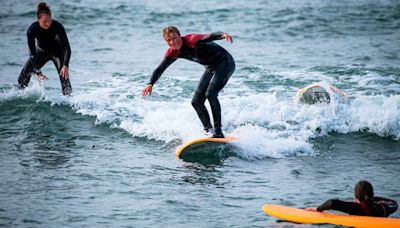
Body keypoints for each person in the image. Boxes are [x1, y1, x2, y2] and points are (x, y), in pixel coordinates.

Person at [141, 26, 235, 138]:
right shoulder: (173, 52)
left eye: (174, 38)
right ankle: (209, 131)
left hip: (225, 63)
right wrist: (150, 83)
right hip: (211, 67)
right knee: (196, 102)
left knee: (211, 94)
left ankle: (218, 131)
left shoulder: (192, 40)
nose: (173, 42)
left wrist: (222, 35)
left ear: (179, 35)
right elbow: (160, 68)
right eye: (169, 40)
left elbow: (208, 36)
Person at [18, 2, 72, 95]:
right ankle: (22, 97)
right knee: (22, 78)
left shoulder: (57, 26)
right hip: (41, 53)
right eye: (45, 21)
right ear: (38, 20)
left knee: (64, 78)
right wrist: (38, 72)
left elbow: (66, 47)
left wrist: (65, 65)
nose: (48, 23)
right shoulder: (32, 29)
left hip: (57, 53)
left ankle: (69, 100)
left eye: (50, 20)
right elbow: (32, 52)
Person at [306, 180, 398, 217]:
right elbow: (394, 203)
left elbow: (332, 203)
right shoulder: (383, 208)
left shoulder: (358, 208)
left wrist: (317, 209)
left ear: (356, 197)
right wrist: (372, 198)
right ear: (372, 195)